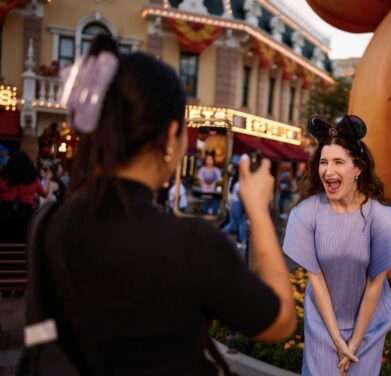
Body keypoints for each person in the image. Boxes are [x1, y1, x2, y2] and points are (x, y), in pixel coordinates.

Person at [37, 34, 295, 375]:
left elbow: (41, 331)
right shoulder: (190, 243)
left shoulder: (50, 222)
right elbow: (280, 322)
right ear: (171, 136)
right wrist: (259, 209)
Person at [283, 115, 391, 376]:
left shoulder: (383, 219)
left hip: (369, 323)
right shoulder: (305, 215)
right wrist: (335, 338)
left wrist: (353, 342)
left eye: (338, 162)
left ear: (358, 168)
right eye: (323, 162)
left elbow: (375, 284)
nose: (328, 171)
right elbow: (315, 279)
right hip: (323, 321)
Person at [0, 151, 48, 243]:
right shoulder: (34, 180)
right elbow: (44, 194)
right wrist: (48, 180)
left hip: (5, 213)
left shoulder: (4, 179)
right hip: (26, 215)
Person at [222, 163, 248, 250]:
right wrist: (245, 206)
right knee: (241, 223)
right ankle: (241, 241)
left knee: (233, 223)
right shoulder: (240, 182)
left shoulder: (235, 181)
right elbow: (240, 195)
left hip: (234, 203)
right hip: (238, 204)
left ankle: (219, 235)